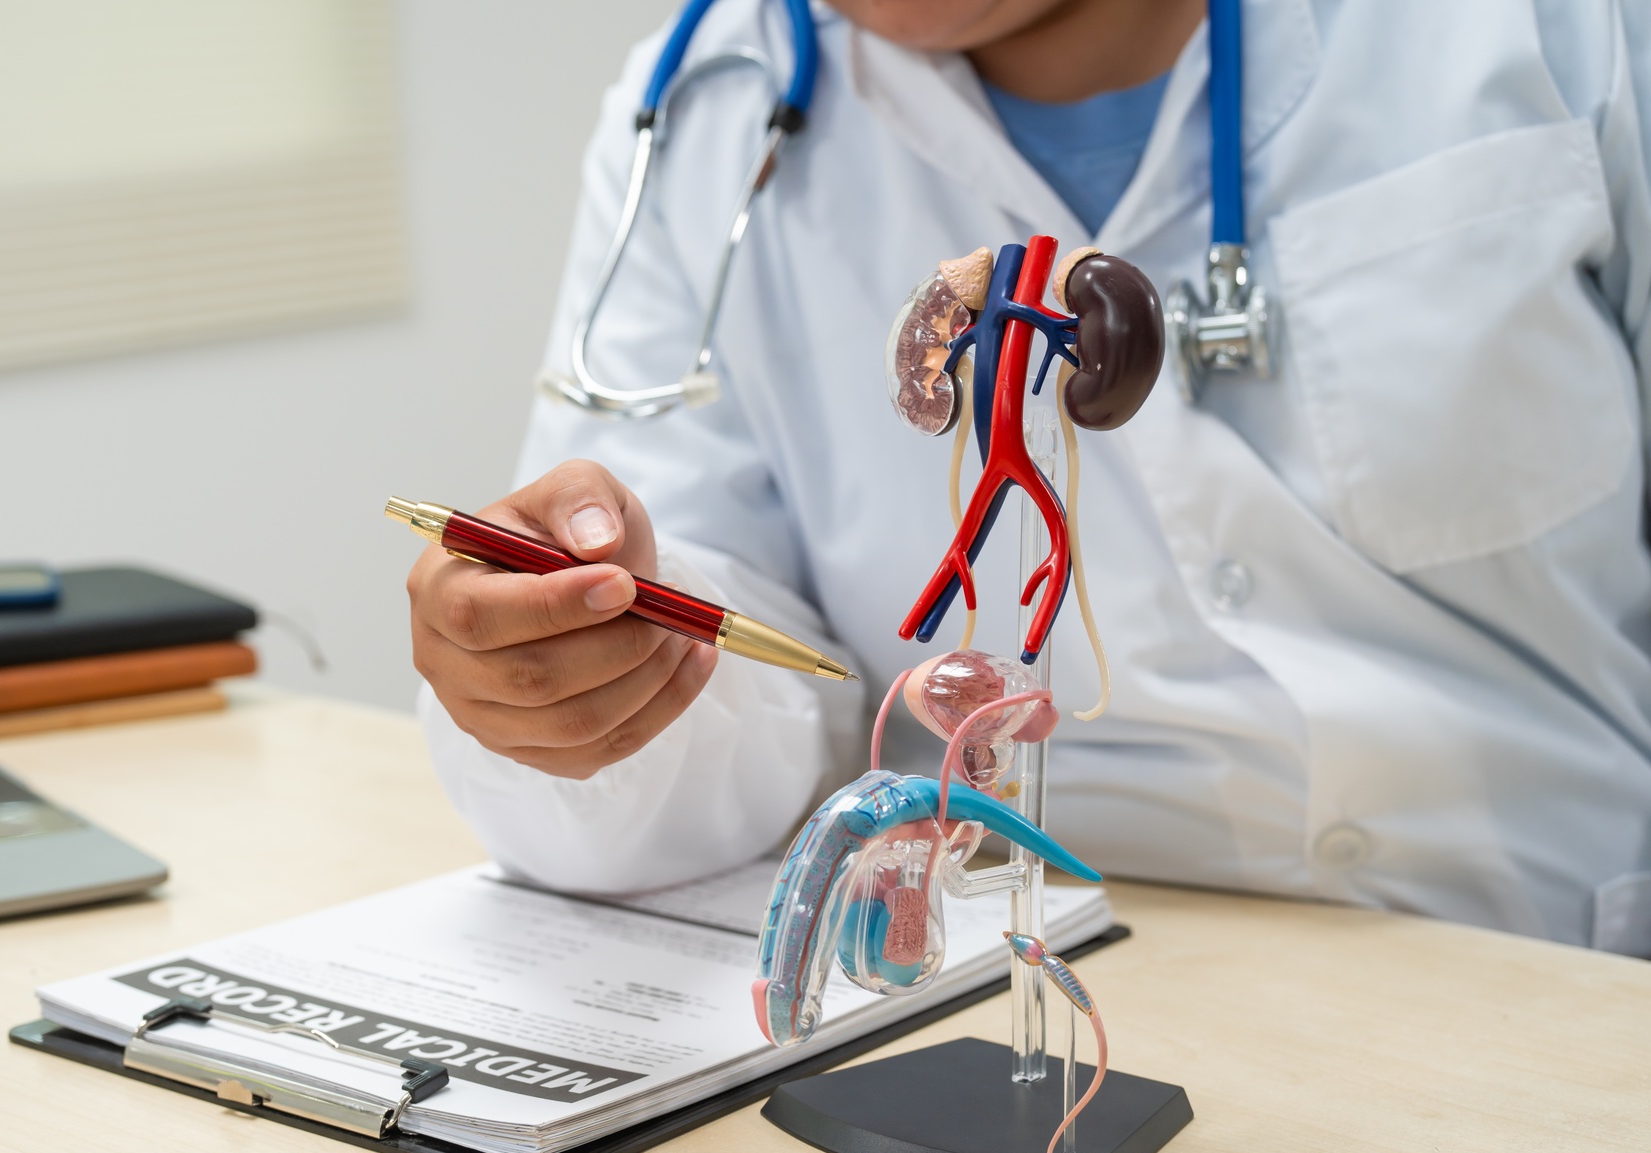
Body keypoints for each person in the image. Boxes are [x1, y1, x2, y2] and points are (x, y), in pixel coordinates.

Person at [407, 0, 1651, 953]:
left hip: (1553, 965)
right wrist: (577, 675)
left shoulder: (1554, 31)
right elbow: (722, 693)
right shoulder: (704, 109)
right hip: (1024, 968)